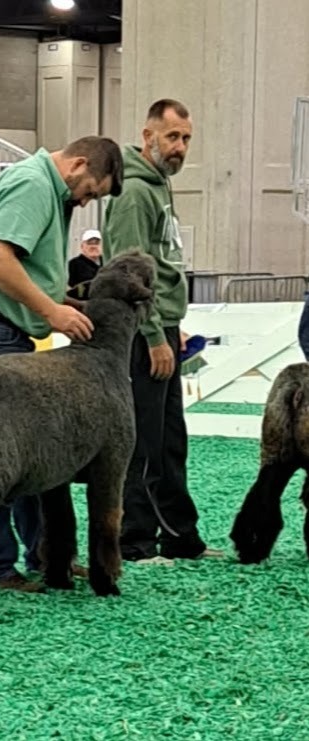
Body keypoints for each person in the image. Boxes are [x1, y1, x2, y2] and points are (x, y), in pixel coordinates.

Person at [0, 136, 123, 592]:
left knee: (28, 452)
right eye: (91, 192)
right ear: (78, 164)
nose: (86, 202)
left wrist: (59, 302)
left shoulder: (42, 185)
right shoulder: (33, 185)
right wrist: (52, 311)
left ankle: (41, 555)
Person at [103, 98, 222, 564]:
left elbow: (162, 265)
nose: (180, 147)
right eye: (172, 136)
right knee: (143, 438)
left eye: (186, 138)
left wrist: (171, 323)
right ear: (148, 135)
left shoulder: (159, 186)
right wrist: (153, 334)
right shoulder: (135, 192)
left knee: (171, 438)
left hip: (164, 326)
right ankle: (135, 539)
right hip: (141, 334)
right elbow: (130, 271)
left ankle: (179, 536)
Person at [67, 228, 103, 300]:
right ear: (82, 246)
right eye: (89, 243)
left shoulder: (108, 264)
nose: (93, 246)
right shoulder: (74, 264)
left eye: (96, 243)